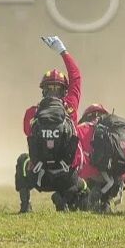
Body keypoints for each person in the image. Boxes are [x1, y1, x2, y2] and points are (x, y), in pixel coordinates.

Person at [15, 35, 87, 213]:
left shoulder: (32, 113)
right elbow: (76, 77)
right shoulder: (71, 108)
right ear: (65, 90)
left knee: (22, 160)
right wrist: (63, 52)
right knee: (83, 185)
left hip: (40, 177)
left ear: (43, 90)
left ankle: (25, 205)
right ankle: (64, 198)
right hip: (66, 177)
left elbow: (28, 133)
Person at [78, 104, 125, 213]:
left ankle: (89, 201)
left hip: (91, 179)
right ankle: (105, 202)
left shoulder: (81, 129)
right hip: (117, 179)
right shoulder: (116, 131)